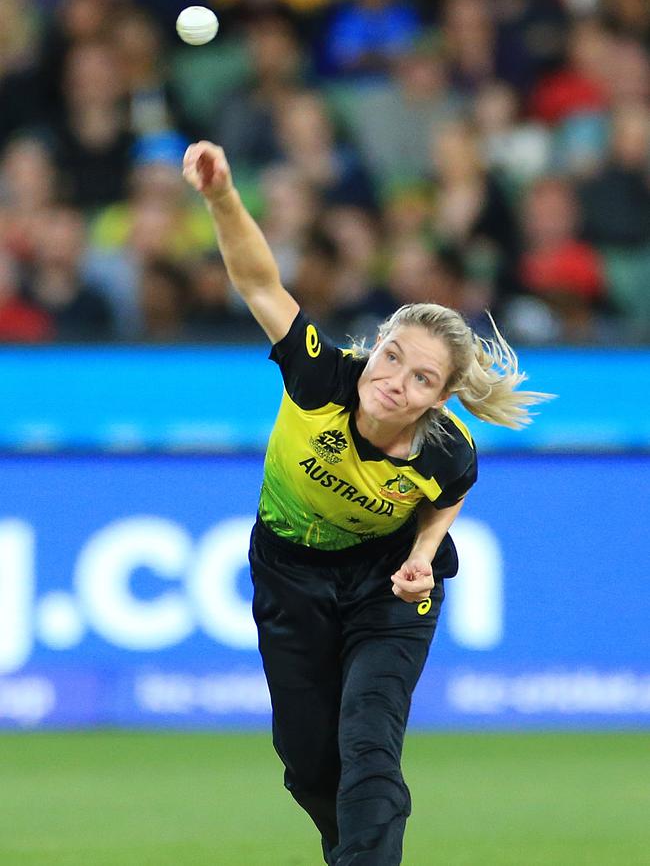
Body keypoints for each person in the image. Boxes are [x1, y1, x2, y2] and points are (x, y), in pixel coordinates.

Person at [182, 140, 549, 866]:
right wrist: (222, 194)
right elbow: (259, 284)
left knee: (368, 740)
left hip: (388, 587)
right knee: (308, 762)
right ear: (375, 345)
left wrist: (418, 559)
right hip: (289, 574)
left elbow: (449, 497)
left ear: (440, 397)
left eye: (421, 380)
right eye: (392, 358)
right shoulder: (321, 375)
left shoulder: (446, 448)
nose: (396, 383)